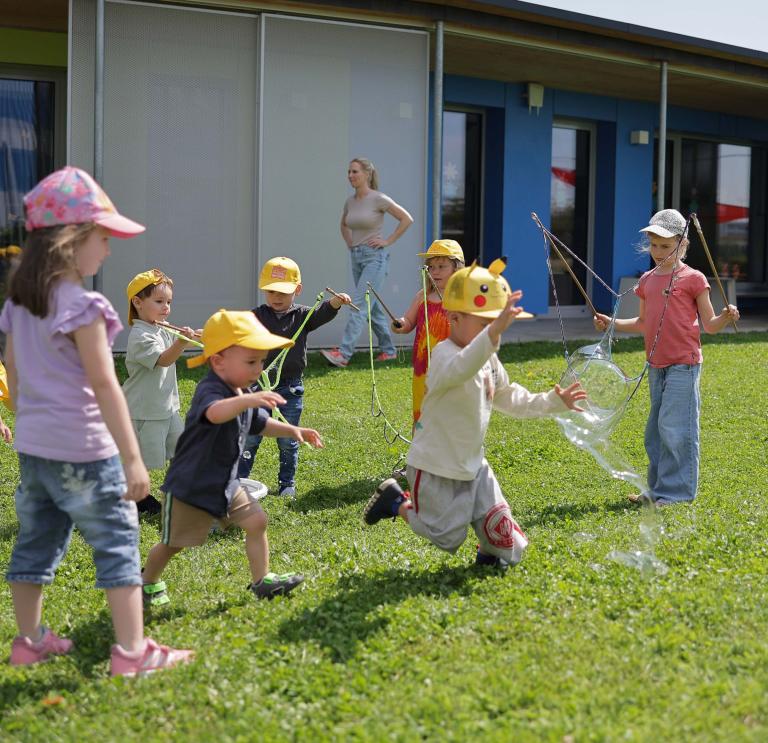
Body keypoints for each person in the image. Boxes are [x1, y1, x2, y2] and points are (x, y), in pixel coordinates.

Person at [0, 166, 192, 675]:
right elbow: (106, 386)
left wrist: (31, 418)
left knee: (36, 541)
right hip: (85, 448)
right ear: (72, 241)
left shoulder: (19, 305)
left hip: (35, 448)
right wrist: (132, 460)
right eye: (103, 238)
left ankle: (30, 640)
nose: (107, 250)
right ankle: (132, 652)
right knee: (116, 540)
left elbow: (13, 381)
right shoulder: (86, 307)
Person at [363, 259, 587, 567]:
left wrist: (553, 401)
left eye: (494, 325)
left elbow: (510, 397)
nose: (493, 333)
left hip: (473, 465)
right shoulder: (444, 356)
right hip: (435, 466)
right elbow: (462, 367)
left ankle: (489, 552)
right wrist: (492, 334)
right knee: (446, 537)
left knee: (509, 543)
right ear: (453, 318)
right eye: (484, 325)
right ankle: (395, 502)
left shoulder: (488, 358)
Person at [141, 309, 323, 606]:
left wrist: (293, 430)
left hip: (226, 482)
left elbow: (259, 423)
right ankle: (146, 581)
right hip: (193, 485)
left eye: (261, 361)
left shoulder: (244, 389)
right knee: (173, 544)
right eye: (251, 361)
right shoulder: (210, 389)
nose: (258, 368)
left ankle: (261, 581)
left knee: (257, 522)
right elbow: (214, 413)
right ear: (218, 361)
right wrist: (247, 399)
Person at [594, 209, 740, 506]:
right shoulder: (647, 280)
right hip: (656, 365)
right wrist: (611, 322)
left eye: (665, 245)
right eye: (653, 245)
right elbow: (640, 323)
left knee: (676, 428)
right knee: (656, 432)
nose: (658, 252)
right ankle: (659, 489)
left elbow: (710, 326)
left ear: (682, 244)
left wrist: (726, 316)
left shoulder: (694, 279)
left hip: (684, 364)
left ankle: (678, 493)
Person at [237, 256, 351, 497]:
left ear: (297, 290)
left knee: (288, 440)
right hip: (258, 387)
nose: (276, 297)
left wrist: (335, 303)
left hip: (290, 388)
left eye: (283, 292)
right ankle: (239, 480)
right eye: (271, 292)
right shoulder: (257, 315)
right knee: (250, 436)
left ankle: (287, 483)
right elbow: (236, 328)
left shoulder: (302, 316)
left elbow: (321, 313)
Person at [321, 157, 413, 367]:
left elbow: (406, 218)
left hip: (375, 259)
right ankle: (389, 351)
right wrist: (350, 244)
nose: (350, 176)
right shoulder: (350, 201)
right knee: (371, 308)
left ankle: (343, 354)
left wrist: (388, 241)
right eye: (349, 172)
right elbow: (344, 224)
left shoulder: (379, 198)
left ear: (367, 174)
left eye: (355, 172)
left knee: (359, 304)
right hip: (357, 257)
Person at [123, 269, 200, 514]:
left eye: (169, 302)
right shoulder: (140, 335)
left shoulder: (159, 327)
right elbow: (164, 359)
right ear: (137, 302)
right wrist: (181, 342)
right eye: (159, 301)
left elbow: (176, 344)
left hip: (166, 409)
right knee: (142, 461)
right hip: (144, 411)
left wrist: (196, 336)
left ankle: (177, 492)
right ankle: (135, 499)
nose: (166, 307)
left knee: (182, 450)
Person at [391, 239, 465, 424]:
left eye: (441, 266)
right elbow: (408, 321)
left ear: (456, 269)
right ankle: (421, 450)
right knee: (422, 413)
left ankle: (449, 450)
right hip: (423, 368)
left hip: (452, 366)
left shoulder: (463, 298)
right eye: (431, 267)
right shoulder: (422, 296)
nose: (435, 271)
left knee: (450, 413)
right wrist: (400, 324)